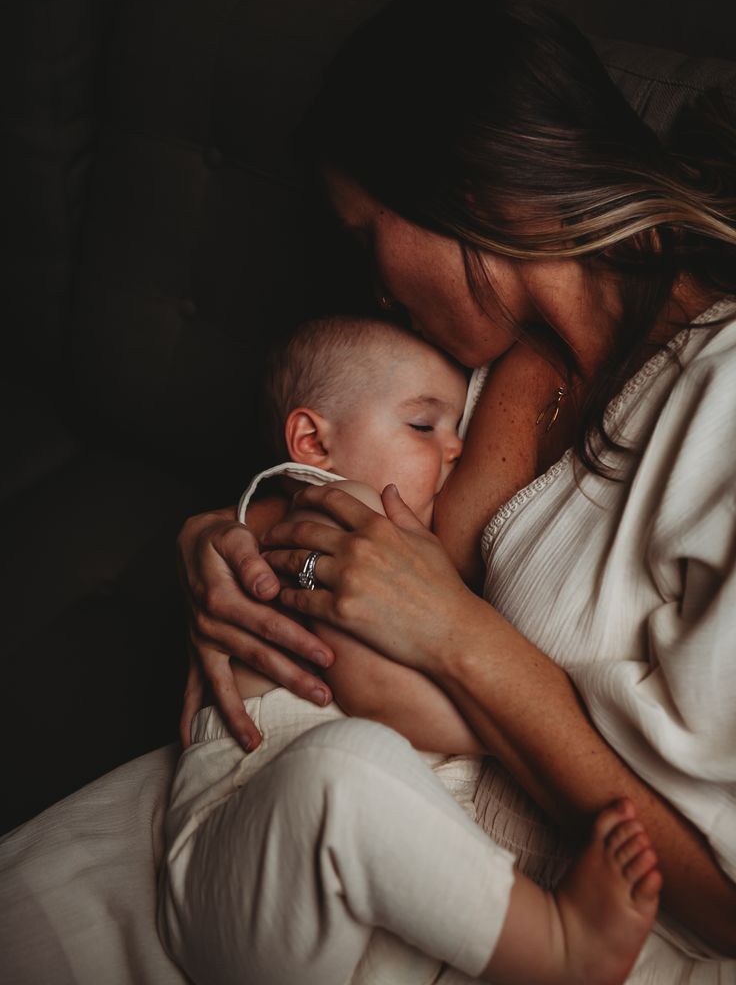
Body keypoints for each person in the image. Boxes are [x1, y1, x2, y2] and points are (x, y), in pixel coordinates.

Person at [177, 0, 736, 982]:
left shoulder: (720, 409)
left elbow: (728, 901)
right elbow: (352, 539)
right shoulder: (476, 368)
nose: (375, 292)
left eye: (366, 236)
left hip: (559, 918)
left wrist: (459, 637)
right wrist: (236, 555)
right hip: (351, 827)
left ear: (459, 187)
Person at [160, 312, 661, 985]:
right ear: (312, 441)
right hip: (238, 855)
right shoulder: (333, 515)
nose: (454, 450)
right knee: (347, 772)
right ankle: (561, 948)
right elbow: (371, 685)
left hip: (318, 915)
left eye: (457, 427)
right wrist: (527, 728)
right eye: (423, 426)